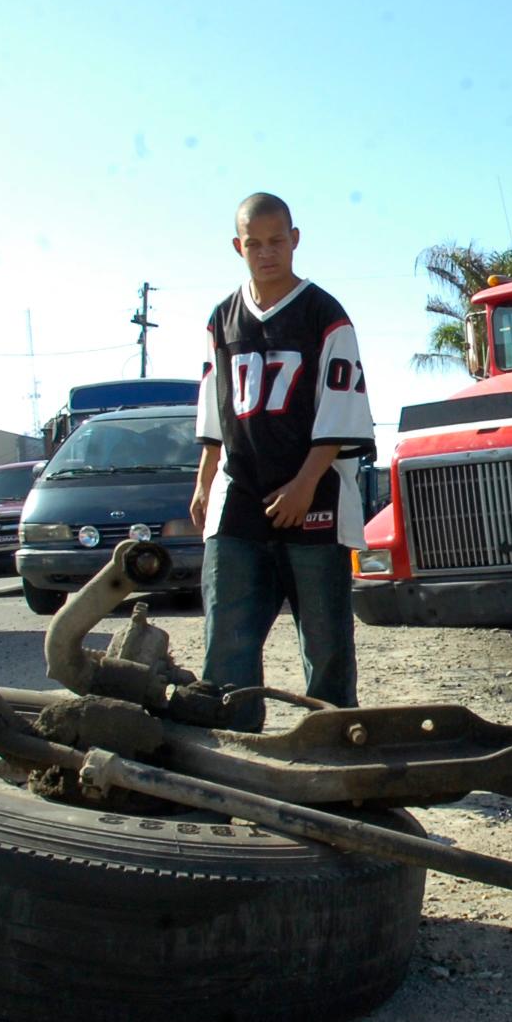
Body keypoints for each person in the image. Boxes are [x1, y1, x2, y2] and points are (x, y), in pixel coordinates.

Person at [192, 192, 374, 723]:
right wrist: (204, 482)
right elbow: (214, 409)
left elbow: (341, 409)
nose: (267, 252)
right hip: (240, 494)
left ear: (295, 240)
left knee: (326, 645)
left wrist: (303, 484)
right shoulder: (221, 319)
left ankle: (336, 745)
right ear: (238, 246)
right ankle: (232, 747)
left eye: (277, 241)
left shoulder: (325, 314)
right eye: (255, 243)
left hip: (313, 495)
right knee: (226, 639)